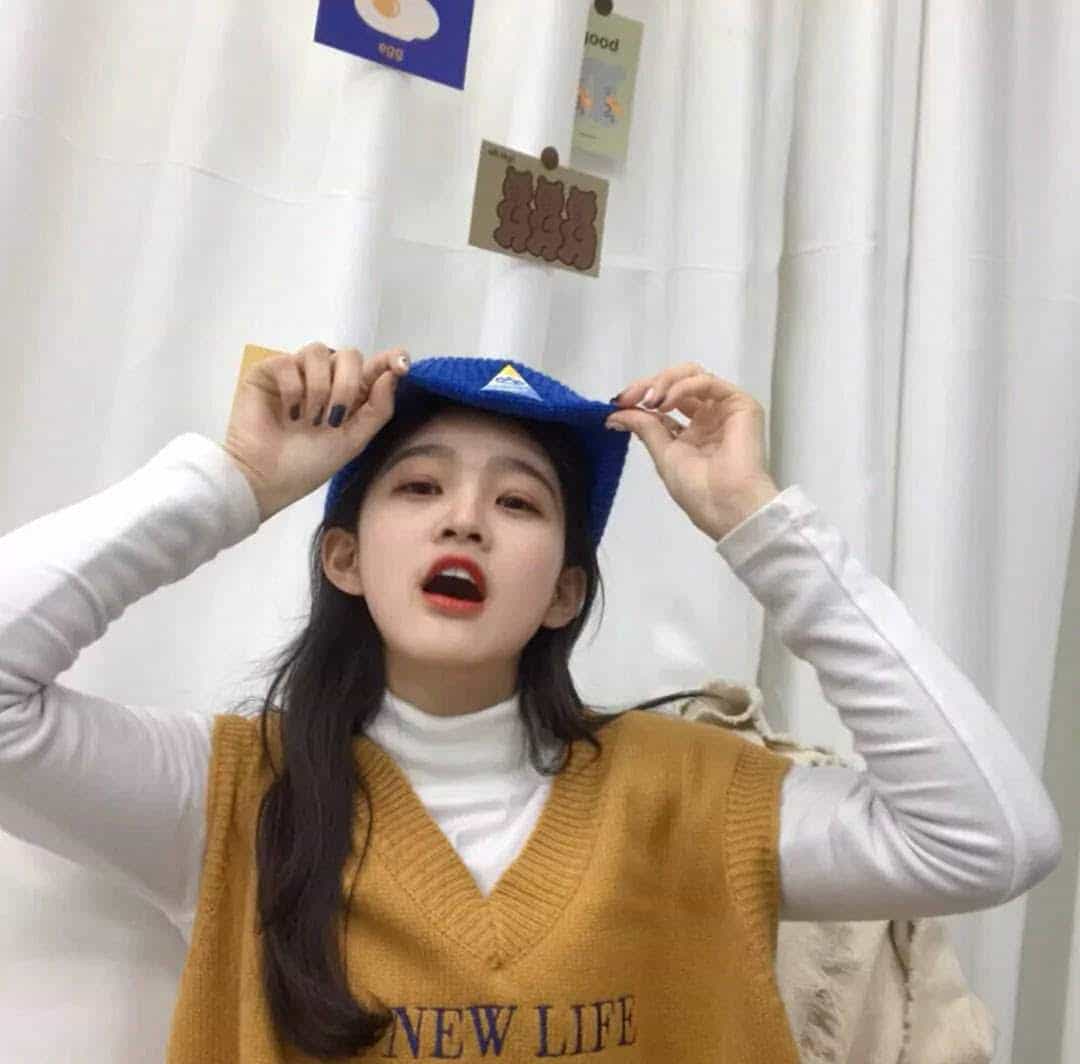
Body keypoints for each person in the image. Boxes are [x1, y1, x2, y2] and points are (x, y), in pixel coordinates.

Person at [0, 342, 1062, 1062]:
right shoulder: (229, 796)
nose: (465, 519)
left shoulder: (694, 796)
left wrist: (757, 519)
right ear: (344, 557)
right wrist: (237, 477)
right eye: (419, 487)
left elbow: (991, 840)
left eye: (518, 501)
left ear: (562, 592)